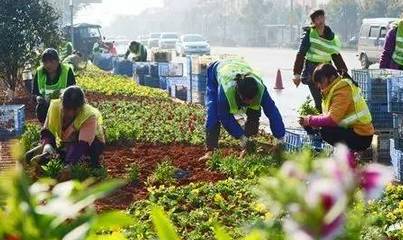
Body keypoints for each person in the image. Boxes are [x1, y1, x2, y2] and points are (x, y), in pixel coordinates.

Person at [200, 59, 286, 160]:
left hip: (239, 64)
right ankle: (210, 151)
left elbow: (272, 111)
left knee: (254, 114)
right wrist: (241, 136)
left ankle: (248, 149)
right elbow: (224, 117)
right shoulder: (226, 90)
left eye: (251, 100)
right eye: (245, 100)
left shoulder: (260, 90)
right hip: (216, 70)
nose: (248, 103)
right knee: (213, 112)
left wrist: (279, 138)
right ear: (238, 93)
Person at [299, 64, 374, 152]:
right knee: (316, 126)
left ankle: (348, 156)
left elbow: (332, 120)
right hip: (353, 131)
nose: (319, 86)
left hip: (361, 135)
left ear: (331, 78)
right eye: (317, 83)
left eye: (321, 82)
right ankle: (345, 155)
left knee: (325, 131)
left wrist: (310, 120)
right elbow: (330, 116)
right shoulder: (334, 89)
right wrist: (312, 121)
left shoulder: (342, 90)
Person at [26, 86, 105, 169]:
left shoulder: (89, 115)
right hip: (67, 143)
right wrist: (47, 144)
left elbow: (82, 145)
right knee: (28, 156)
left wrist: (69, 164)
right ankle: (57, 154)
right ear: (61, 103)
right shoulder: (55, 107)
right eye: (66, 108)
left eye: (74, 109)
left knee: (68, 159)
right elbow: (47, 131)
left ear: (80, 107)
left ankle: (83, 160)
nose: (70, 113)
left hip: (89, 145)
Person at [293, 9, 348, 112]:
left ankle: (327, 121)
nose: (320, 20)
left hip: (327, 71)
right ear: (313, 22)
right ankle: (321, 123)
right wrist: (297, 74)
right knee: (318, 100)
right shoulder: (309, 34)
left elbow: (335, 55)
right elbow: (301, 54)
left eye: (321, 17)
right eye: (317, 18)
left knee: (329, 98)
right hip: (312, 71)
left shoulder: (330, 36)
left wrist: (343, 71)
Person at [32, 48, 76, 124]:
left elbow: (73, 91)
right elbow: (35, 92)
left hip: (64, 105)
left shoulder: (67, 70)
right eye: (45, 62)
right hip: (46, 105)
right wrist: (38, 97)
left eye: (51, 61)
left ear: (58, 61)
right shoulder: (39, 72)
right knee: (41, 108)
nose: (48, 65)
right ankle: (45, 126)